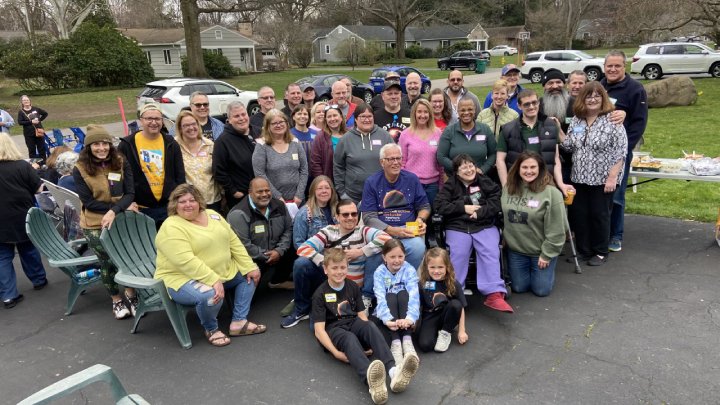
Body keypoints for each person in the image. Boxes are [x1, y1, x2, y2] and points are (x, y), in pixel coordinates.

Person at [155, 184, 264, 347]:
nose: (188, 204)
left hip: (220, 271)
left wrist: (249, 265)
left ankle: (239, 322)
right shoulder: (171, 227)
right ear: (174, 206)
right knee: (210, 295)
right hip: (182, 278)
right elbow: (185, 261)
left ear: (199, 201)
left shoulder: (213, 215)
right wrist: (213, 279)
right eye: (182, 201)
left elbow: (233, 241)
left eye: (192, 200)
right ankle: (211, 329)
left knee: (249, 276)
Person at [312, 248, 419, 404]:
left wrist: (368, 340)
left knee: (369, 325)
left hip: (352, 321)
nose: (339, 271)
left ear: (347, 267)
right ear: (325, 269)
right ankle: (372, 383)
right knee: (349, 338)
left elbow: (361, 315)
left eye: (342, 267)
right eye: (334, 268)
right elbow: (319, 330)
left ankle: (393, 371)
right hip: (335, 329)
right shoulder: (320, 294)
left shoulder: (353, 287)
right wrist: (336, 353)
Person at [283, 199, 389, 328]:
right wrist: (325, 262)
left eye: (354, 214)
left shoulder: (363, 231)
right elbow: (303, 248)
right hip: (332, 282)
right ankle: (302, 308)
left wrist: (361, 251)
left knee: (377, 253)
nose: (350, 218)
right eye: (345, 215)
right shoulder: (329, 231)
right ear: (337, 217)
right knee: (301, 263)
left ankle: (365, 298)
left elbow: (387, 238)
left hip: (354, 287)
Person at [73, 125, 137, 318]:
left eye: (105, 143)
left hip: (120, 219)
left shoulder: (120, 161)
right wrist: (112, 210)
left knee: (127, 258)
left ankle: (131, 293)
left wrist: (116, 210)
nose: (101, 148)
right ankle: (116, 299)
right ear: (88, 147)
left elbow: (130, 193)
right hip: (94, 223)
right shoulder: (80, 169)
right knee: (108, 262)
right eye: (96, 144)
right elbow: (88, 202)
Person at [433, 154, 512, 311]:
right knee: (458, 254)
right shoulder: (450, 186)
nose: (468, 170)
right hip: (458, 227)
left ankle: (494, 293)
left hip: (483, 224)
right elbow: (439, 205)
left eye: (470, 165)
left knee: (490, 250)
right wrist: (463, 208)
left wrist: (480, 212)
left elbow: (496, 201)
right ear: (456, 172)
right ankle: (454, 292)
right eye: (463, 167)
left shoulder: (485, 182)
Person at [560, 82, 627, 266]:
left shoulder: (612, 119)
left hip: (602, 179)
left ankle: (600, 251)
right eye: (588, 96)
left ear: (603, 98)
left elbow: (621, 151)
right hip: (579, 177)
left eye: (597, 95)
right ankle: (583, 250)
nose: (592, 99)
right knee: (580, 215)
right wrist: (558, 131)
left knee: (599, 215)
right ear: (582, 99)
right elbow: (569, 146)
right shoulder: (576, 120)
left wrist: (612, 177)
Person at [601, 50, 648, 253]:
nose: (612, 69)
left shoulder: (635, 89)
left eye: (617, 66)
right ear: (604, 67)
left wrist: (623, 151)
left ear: (624, 67)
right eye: (609, 66)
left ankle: (615, 235)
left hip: (619, 154)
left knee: (616, 195)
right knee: (598, 194)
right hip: (597, 153)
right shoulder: (599, 87)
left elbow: (639, 123)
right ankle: (601, 233)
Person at [501, 151, 565, 297]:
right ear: (517, 168)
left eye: (533, 167)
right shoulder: (508, 189)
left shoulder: (551, 193)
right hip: (516, 250)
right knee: (519, 287)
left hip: (540, 252)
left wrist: (547, 254)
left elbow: (557, 228)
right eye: (524, 167)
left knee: (541, 291)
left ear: (540, 168)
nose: (528, 171)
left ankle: (545, 269)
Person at [361, 144, 429, 272]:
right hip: (381, 230)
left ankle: (404, 280)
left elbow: (424, 206)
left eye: (398, 158)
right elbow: (368, 216)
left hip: (407, 228)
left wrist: (420, 219)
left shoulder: (411, 179)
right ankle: (369, 290)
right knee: (376, 249)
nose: (396, 162)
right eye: (391, 159)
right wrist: (393, 231)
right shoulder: (372, 182)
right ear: (382, 162)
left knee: (418, 247)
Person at [0, 133, 47, 309]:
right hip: (21, 214)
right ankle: (39, 279)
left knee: (3, 257)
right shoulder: (22, 166)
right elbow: (38, 189)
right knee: (28, 248)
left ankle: (8, 295)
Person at [118, 103, 185, 227]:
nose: (154, 122)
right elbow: (119, 176)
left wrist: (179, 199)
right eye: (149, 118)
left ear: (162, 121)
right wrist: (126, 202)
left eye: (157, 119)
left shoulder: (171, 143)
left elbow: (180, 175)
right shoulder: (127, 145)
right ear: (141, 120)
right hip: (140, 208)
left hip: (168, 207)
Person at [496, 89, 570, 196]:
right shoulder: (508, 129)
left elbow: (555, 158)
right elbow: (500, 160)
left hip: (546, 183)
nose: (531, 107)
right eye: (526, 104)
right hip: (519, 185)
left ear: (538, 103)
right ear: (519, 106)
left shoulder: (551, 125)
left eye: (534, 103)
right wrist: (505, 185)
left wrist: (560, 183)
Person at [227, 178, 294, 289]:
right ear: (250, 192)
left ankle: (277, 281)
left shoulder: (280, 206)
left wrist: (279, 251)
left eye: (267, 190)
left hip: (277, 252)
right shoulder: (238, 214)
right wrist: (266, 255)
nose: (264, 194)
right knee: (251, 298)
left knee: (296, 245)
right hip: (252, 259)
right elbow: (243, 244)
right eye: (259, 191)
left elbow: (289, 229)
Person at [373, 240, 421, 367]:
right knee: (390, 295)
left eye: (400, 256)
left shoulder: (409, 269)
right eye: (392, 256)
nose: (397, 260)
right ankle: (396, 343)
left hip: (405, 311)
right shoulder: (379, 272)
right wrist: (387, 319)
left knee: (403, 293)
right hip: (390, 312)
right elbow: (380, 297)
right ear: (384, 257)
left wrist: (410, 319)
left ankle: (407, 341)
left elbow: (414, 296)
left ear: (405, 256)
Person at [334, 104, 394, 203]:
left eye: (369, 116)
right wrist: (342, 193)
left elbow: (394, 161)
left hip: (382, 194)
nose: (367, 119)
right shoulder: (345, 140)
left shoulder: (385, 136)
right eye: (363, 116)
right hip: (353, 196)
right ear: (356, 119)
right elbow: (338, 167)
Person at [415, 248, 468, 353]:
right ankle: (436, 331)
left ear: (447, 267)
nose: (436, 271)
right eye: (432, 267)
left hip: (446, 315)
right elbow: (417, 305)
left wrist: (462, 331)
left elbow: (461, 307)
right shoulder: (422, 283)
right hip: (430, 316)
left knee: (456, 304)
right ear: (426, 267)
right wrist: (415, 327)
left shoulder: (453, 283)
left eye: (440, 267)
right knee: (425, 345)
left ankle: (445, 332)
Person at [252, 109, 308, 204]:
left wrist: (299, 195)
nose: (279, 125)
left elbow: (304, 170)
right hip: (273, 200)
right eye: (274, 123)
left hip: (298, 200)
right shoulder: (262, 145)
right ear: (267, 126)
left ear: (286, 123)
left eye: (281, 122)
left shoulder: (295, 142)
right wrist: (277, 197)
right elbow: (260, 174)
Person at [212, 101, 257, 211]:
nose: (241, 118)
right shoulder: (223, 141)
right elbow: (218, 170)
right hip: (241, 197)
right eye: (236, 116)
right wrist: (233, 191)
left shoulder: (258, 132)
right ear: (229, 120)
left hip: (263, 193)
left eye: (243, 114)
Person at [174, 110, 221, 212]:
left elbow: (218, 171)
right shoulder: (174, 146)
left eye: (193, 124)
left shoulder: (210, 145)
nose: (191, 128)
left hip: (211, 201)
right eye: (186, 125)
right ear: (180, 128)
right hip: (187, 203)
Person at [398, 99, 443, 205]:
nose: (422, 115)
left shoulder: (437, 133)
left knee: (432, 218)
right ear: (414, 113)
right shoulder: (405, 134)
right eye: (419, 112)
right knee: (414, 218)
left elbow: (441, 163)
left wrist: (441, 185)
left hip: (433, 185)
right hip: (412, 184)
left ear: (430, 114)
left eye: (426, 112)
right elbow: (402, 162)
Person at [437, 99, 496, 176]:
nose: (466, 113)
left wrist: (483, 169)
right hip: (455, 179)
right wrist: (459, 169)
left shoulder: (485, 129)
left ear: (474, 110)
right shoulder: (449, 131)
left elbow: (493, 154)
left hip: (480, 178)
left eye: (470, 109)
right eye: (462, 110)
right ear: (458, 112)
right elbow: (441, 156)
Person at [310, 105, 346, 180]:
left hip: (349, 182)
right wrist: (322, 181)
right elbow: (315, 163)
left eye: (335, 115)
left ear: (341, 117)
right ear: (325, 120)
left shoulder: (349, 135)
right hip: (329, 181)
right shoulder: (320, 137)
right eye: (329, 117)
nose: (332, 119)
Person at [17, 95, 49, 163]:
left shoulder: (35, 109)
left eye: (27, 100)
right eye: (24, 100)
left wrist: (39, 120)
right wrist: (31, 122)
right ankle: (34, 165)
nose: (26, 101)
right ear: (22, 102)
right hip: (29, 134)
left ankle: (43, 164)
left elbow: (45, 113)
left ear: (30, 101)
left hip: (38, 131)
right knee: (32, 150)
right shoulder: (21, 112)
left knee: (42, 149)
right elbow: (20, 122)